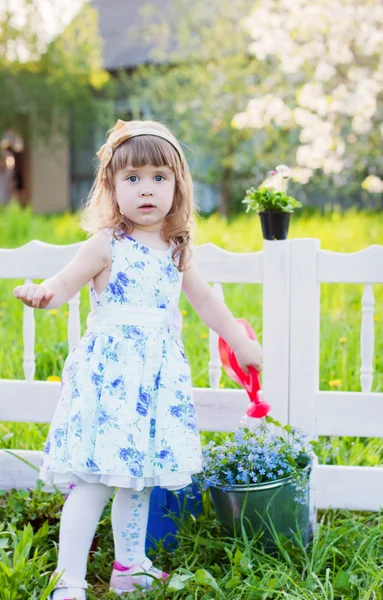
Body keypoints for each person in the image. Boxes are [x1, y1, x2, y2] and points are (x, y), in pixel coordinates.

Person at [13, 119, 263, 599]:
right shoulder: (107, 244)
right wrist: (44, 293)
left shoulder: (176, 250)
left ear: (177, 185)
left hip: (156, 381)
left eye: (158, 178)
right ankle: (67, 578)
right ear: (111, 186)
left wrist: (240, 340)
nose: (146, 189)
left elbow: (207, 302)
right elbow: (64, 283)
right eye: (132, 178)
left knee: (140, 481)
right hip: (111, 376)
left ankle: (130, 567)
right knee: (93, 479)